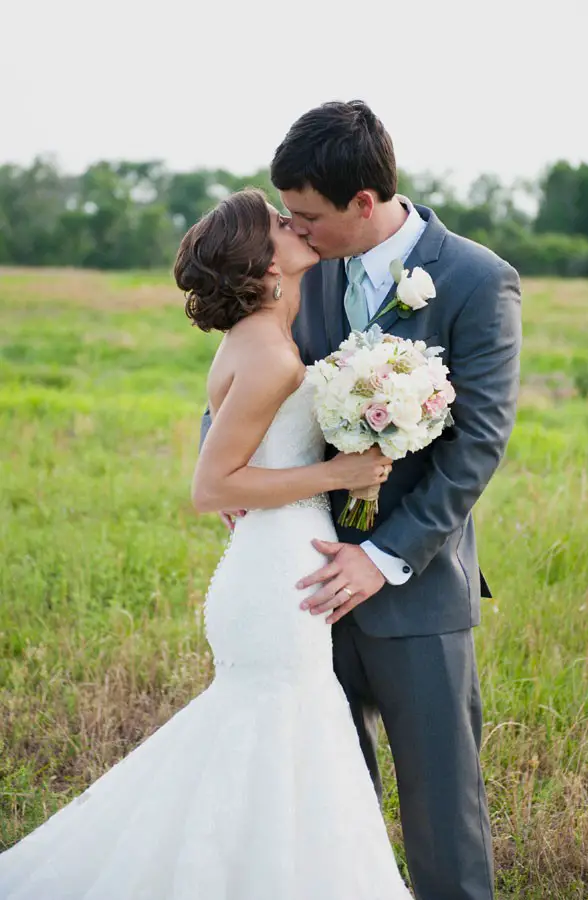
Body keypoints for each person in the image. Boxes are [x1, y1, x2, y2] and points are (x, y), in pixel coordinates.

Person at [0, 188, 411, 899]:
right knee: (279, 738)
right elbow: (212, 487)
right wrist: (340, 471)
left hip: (277, 561)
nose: (296, 224)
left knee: (273, 750)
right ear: (263, 265)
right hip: (279, 574)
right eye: (281, 223)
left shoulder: (259, 339)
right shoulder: (272, 357)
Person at [259, 99, 520, 900]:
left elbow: (477, 443)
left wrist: (382, 555)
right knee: (332, 804)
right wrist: (233, 463)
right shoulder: (309, 268)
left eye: (307, 217)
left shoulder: (478, 279)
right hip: (306, 575)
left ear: (363, 204)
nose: (294, 232)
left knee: (445, 821)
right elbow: (259, 368)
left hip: (416, 590)